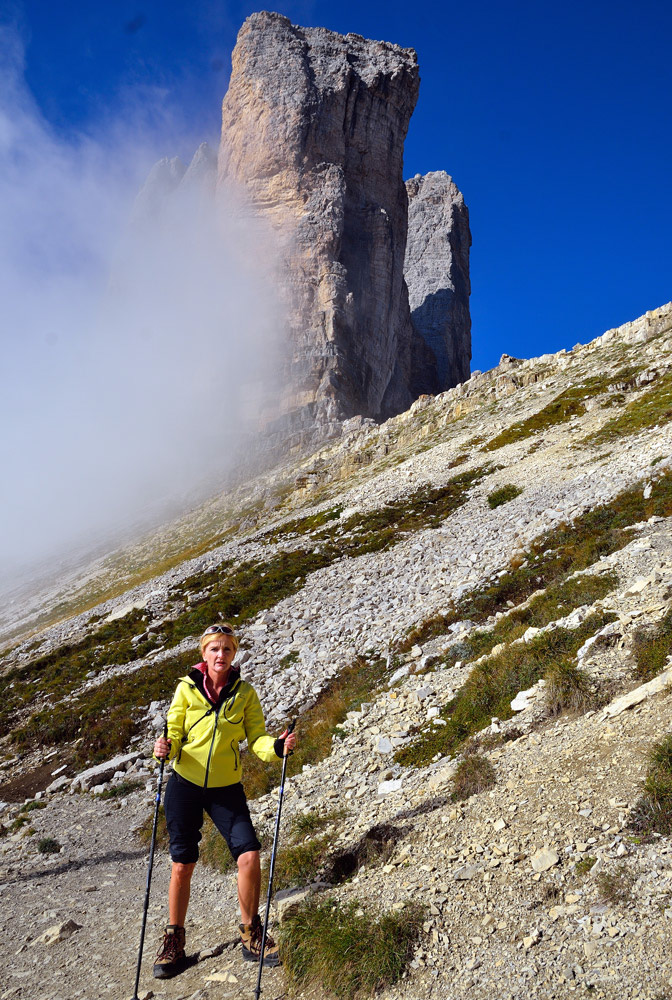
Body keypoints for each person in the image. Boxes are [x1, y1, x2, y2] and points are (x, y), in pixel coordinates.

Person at [152, 622, 297, 979]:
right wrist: (164, 747)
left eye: (227, 649)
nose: (221, 655)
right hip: (184, 783)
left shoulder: (245, 693)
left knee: (249, 855)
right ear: (203, 653)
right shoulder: (186, 689)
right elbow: (172, 729)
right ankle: (174, 940)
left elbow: (258, 739)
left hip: (226, 788)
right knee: (182, 864)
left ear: (234, 654)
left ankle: (251, 932)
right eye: (214, 648)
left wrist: (276, 748)